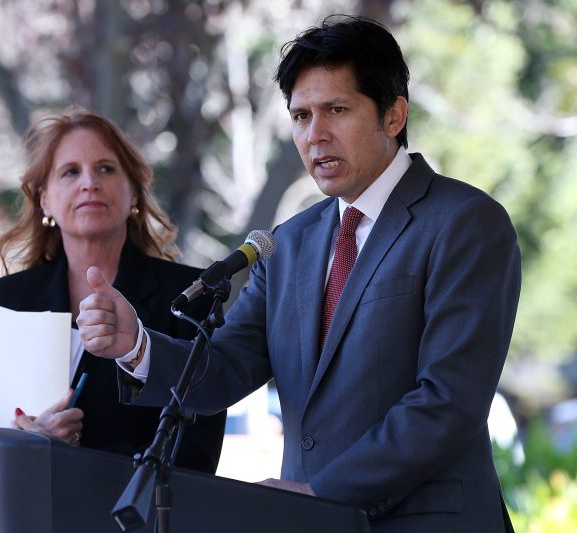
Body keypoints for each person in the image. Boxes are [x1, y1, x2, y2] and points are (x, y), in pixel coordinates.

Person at [77, 15, 521, 532]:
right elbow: (222, 367)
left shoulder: (464, 222)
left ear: (394, 115)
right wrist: (136, 345)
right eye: (301, 116)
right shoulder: (287, 243)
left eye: (336, 110)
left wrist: (321, 494)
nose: (315, 135)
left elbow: (448, 401)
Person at [0, 108, 226, 474]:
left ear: (134, 194)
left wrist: (68, 455)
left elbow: (194, 456)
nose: (89, 182)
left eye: (106, 169)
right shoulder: (5, 301)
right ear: (44, 199)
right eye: (70, 171)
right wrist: (22, 444)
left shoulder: (189, 296)